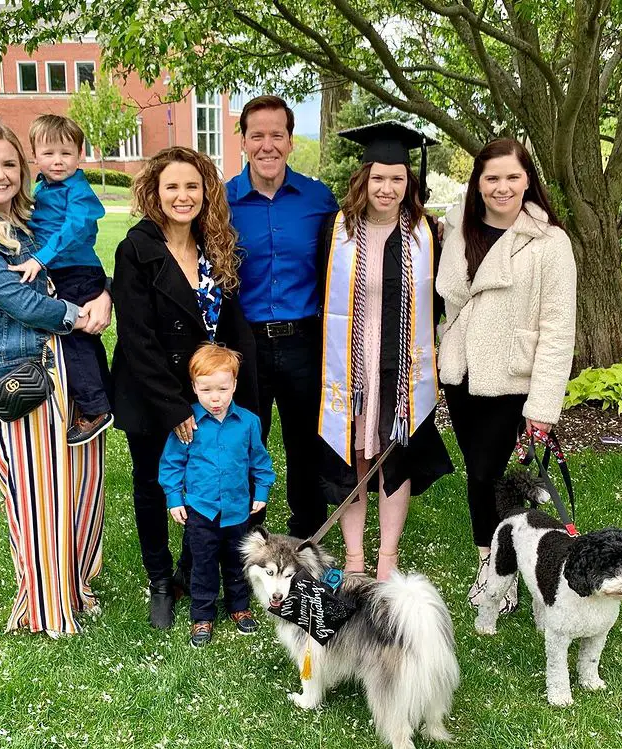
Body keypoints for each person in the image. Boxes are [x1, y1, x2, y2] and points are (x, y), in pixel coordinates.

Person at [0, 123, 111, 637]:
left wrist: (103, 294)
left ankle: (75, 587)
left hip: (70, 368)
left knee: (79, 487)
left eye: (8, 164)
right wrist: (81, 315)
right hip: (24, 374)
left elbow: (77, 261)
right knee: (40, 494)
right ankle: (46, 608)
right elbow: (19, 302)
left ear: (23, 170)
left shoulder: (24, 222)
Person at [112, 147, 258, 630]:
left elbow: (232, 323)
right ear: (155, 191)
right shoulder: (137, 248)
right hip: (153, 392)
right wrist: (176, 407)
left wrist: (238, 392)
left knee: (209, 482)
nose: (182, 196)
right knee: (155, 485)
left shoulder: (216, 245)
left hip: (211, 390)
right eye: (171, 186)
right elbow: (137, 337)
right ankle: (160, 582)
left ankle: (191, 570)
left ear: (206, 191)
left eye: (192, 186)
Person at [435, 137, 577, 613]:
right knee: (479, 478)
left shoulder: (549, 241)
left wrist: (543, 405)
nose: (501, 187)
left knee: (488, 474)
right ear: (477, 183)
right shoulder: (461, 230)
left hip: (511, 377)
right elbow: (453, 301)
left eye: (512, 177)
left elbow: (559, 328)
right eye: (491, 177)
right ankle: (491, 559)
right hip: (462, 375)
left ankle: (505, 566)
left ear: (527, 180)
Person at [318, 121, 454, 581]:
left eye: (397, 179)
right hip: (350, 369)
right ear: (363, 179)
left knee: (393, 457)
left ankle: (387, 558)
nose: (388, 187)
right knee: (352, 454)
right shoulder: (335, 232)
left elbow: (440, 299)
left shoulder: (426, 234)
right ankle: (354, 557)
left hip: (401, 370)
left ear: (408, 184)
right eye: (379, 177)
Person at [226, 95, 339, 539]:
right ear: (244, 142)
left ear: (291, 141)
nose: (267, 145)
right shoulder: (221, 200)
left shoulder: (318, 199)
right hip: (242, 343)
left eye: (277, 135)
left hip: (304, 341)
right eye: (258, 135)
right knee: (244, 443)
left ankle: (305, 536)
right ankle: (246, 537)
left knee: (305, 445)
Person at [159, 343, 276, 647]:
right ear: (194, 387)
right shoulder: (189, 424)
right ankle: (202, 615)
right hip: (202, 510)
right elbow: (172, 463)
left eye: (223, 389)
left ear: (234, 385)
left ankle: (239, 607)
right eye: (206, 389)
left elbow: (259, 461)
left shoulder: (249, 422)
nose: (215, 398)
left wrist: (261, 490)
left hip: (237, 510)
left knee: (238, 562)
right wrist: (174, 497)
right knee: (204, 564)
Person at [11, 114, 112, 446]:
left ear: (80, 155)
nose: (58, 161)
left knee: (74, 335)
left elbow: (74, 230)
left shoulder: (78, 190)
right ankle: (102, 397)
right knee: (82, 337)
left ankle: (95, 408)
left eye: (66, 153)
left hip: (77, 272)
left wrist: (40, 259)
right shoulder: (41, 187)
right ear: (34, 156)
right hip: (61, 270)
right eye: (49, 153)